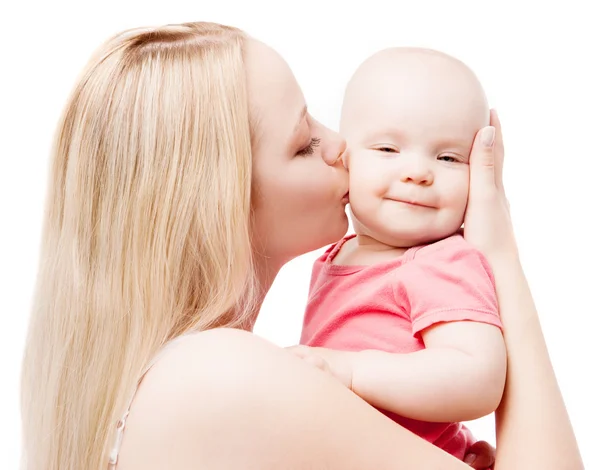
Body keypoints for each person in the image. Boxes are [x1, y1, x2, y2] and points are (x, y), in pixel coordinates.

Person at [20, 21, 583, 470]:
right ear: (222, 199)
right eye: (304, 141)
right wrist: (500, 254)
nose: (340, 145)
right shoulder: (214, 373)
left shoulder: (189, 380)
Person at [294, 48, 505, 462]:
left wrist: (350, 371)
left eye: (447, 158)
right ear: (344, 156)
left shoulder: (440, 261)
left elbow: (477, 377)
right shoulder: (338, 254)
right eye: (388, 150)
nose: (418, 172)